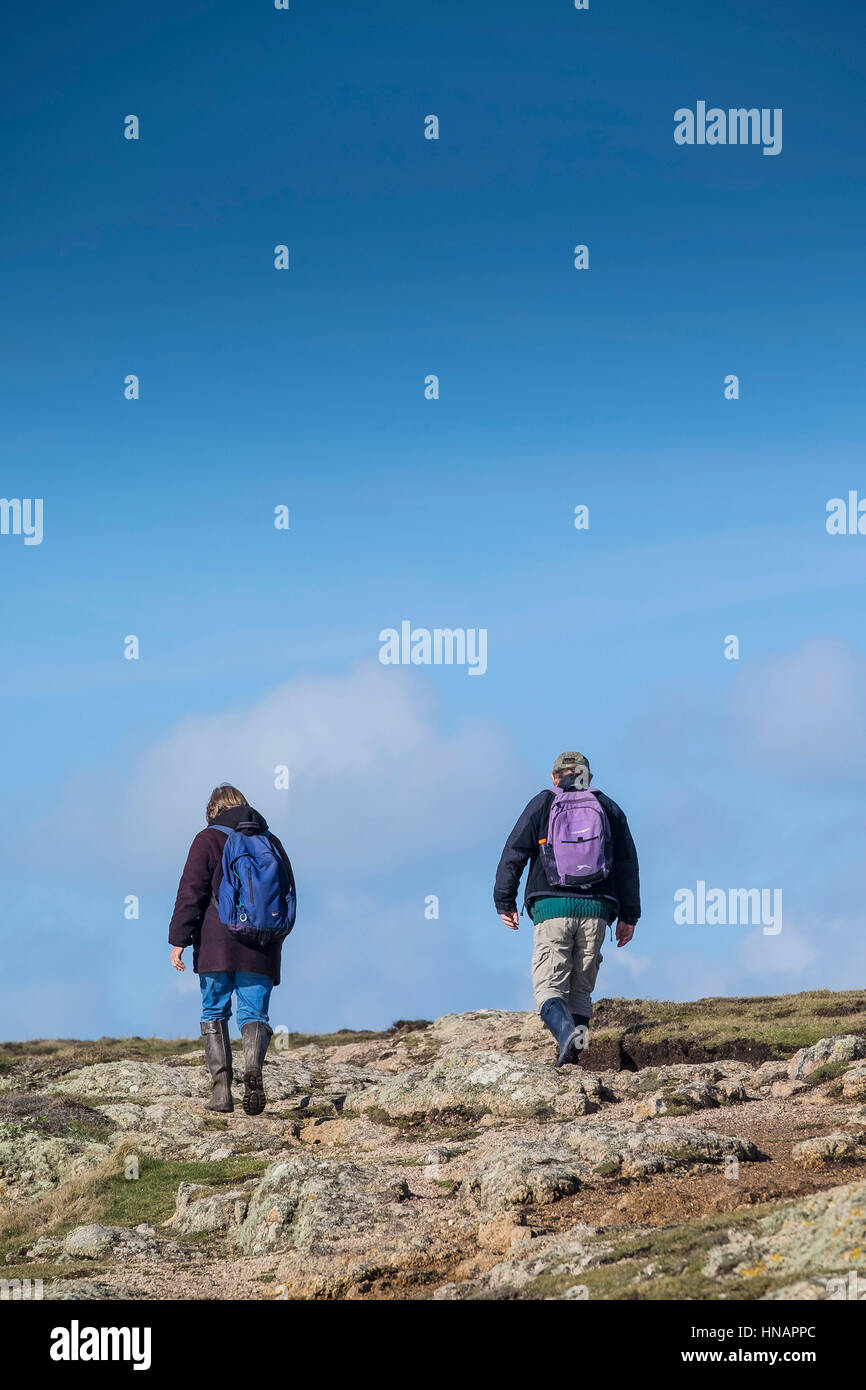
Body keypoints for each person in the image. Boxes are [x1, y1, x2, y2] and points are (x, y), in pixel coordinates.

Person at [494, 752, 640, 1067]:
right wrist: (630, 916)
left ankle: (566, 1040)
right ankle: (574, 1055)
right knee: (581, 992)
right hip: (597, 910)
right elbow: (627, 865)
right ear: (588, 776)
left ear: (554, 776)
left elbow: (514, 852)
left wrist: (504, 900)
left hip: (551, 908)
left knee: (549, 986)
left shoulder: (543, 802)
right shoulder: (607, 806)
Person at [168, 784, 296, 1115]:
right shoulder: (270, 841)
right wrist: (276, 939)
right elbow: (287, 895)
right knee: (254, 1014)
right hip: (261, 946)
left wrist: (179, 939)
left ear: (213, 811)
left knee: (214, 1010)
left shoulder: (207, 839)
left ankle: (221, 1093)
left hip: (216, 944)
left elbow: (191, 891)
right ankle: (252, 1066)